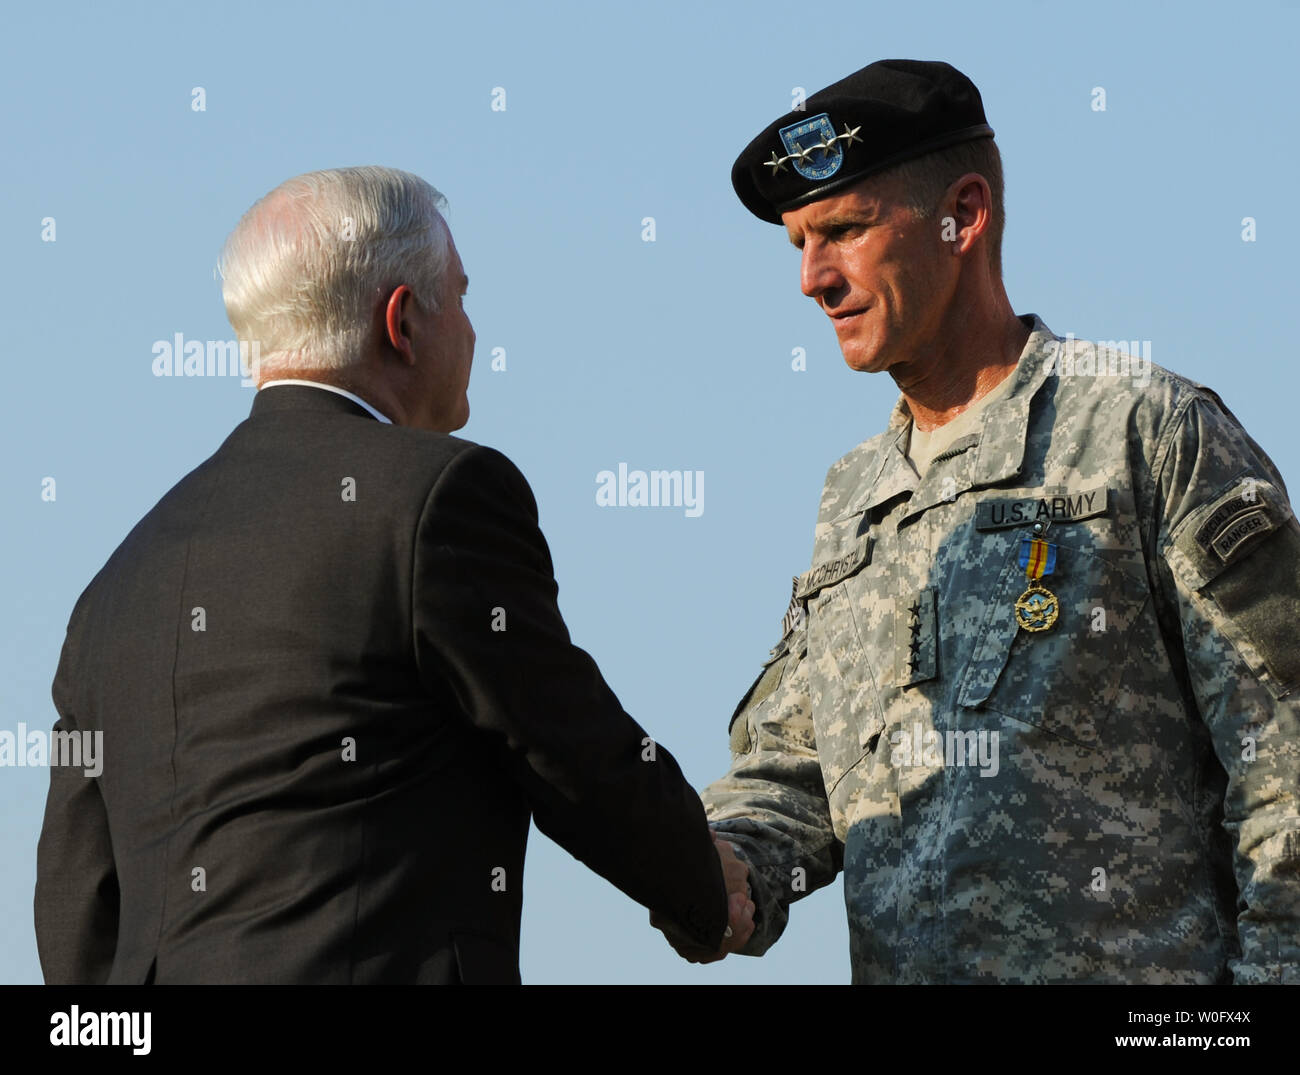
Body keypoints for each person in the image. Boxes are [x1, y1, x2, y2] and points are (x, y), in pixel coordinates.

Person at [656, 59, 1300, 982]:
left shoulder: (1145, 432)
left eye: (843, 231)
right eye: (799, 243)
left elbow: (1283, 757)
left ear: (963, 215)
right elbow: (798, 769)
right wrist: (716, 867)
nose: (811, 278)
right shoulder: (853, 500)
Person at [35, 166, 754, 984]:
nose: (473, 332)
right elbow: (569, 743)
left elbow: (74, 901)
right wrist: (703, 884)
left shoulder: (113, 588)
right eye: (462, 298)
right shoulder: (438, 497)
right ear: (403, 321)